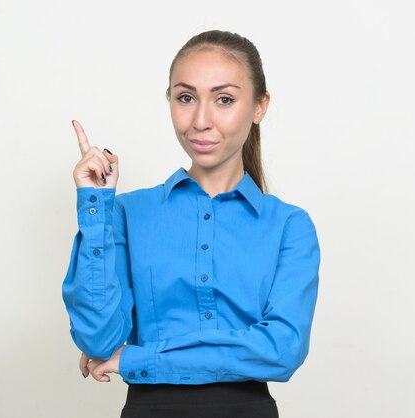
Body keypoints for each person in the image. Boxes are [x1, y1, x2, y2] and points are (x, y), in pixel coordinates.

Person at [61, 29, 320, 418]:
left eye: (224, 100)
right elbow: (99, 340)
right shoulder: (127, 213)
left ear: (259, 106)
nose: (201, 120)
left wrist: (143, 357)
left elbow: (281, 350)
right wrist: (95, 203)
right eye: (186, 98)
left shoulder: (288, 226)